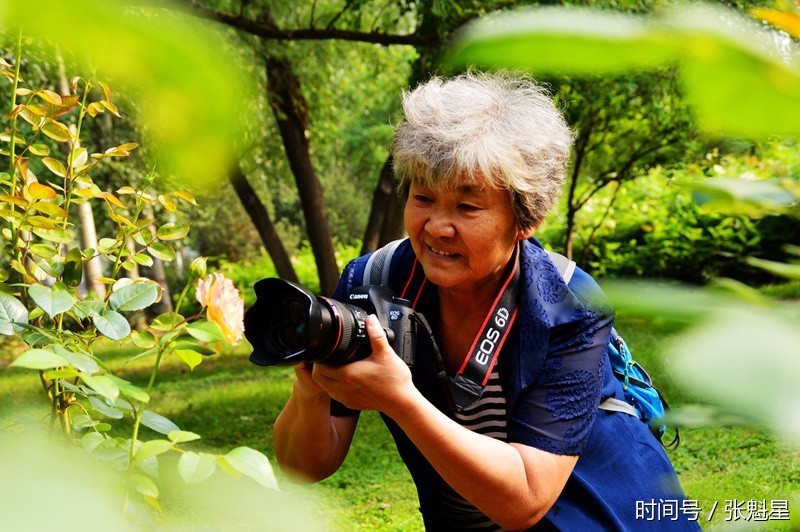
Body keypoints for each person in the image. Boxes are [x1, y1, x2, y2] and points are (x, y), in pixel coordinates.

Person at [272, 72, 697, 530]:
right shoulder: (372, 284)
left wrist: (400, 400)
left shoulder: (567, 305)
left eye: (467, 207)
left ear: (526, 219)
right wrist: (311, 391)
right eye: (423, 197)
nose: (437, 226)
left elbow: (526, 498)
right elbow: (304, 467)